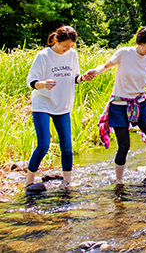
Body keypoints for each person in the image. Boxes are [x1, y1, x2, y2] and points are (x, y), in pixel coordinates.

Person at [88, 26, 146, 185]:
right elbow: (105, 67)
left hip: (140, 104)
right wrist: (93, 72)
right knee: (124, 145)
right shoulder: (124, 53)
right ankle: (119, 181)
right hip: (119, 105)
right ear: (142, 42)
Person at [24, 25, 91, 188]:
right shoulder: (43, 56)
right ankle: (29, 181)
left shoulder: (72, 55)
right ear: (55, 40)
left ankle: (67, 183)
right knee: (44, 144)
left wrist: (83, 78)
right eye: (65, 46)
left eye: (71, 46)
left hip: (63, 104)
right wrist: (43, 84)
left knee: (67, 146)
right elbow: (31, 82)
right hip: (43, 104)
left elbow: (74, 77)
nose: (67, 49)